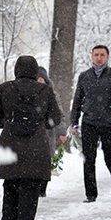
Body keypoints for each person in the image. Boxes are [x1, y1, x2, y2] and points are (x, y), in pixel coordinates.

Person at [0, 55, 62, 220]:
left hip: (10, 145)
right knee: (30, 190)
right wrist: (40, 124)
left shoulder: (5, 88)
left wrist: (7, 124)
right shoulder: (45, 90)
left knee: (10, 187)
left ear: (16, 69)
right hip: (36, 147)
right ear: (35, 70)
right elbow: (55, 118)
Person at [69, 45, 111, 203]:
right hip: (89, 122)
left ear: (107, 56)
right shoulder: (84, 76)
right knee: (89, 159)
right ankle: (91, 195)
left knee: (110, 158)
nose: (99, 57)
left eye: (102, 55)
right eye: (96, 54)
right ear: (91, 56)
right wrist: (74, 122)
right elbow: (77, 100)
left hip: (110, 124)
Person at [37, 66, 67, 197]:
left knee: (46, 160)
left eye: (42, 78)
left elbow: (60, 115)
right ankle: (33, 188)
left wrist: (61, 132)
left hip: (48, 133)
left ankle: (42, 189)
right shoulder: (27, 93)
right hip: (32, 133)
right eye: (36, 78)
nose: (39, 81)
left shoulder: (53, 94)